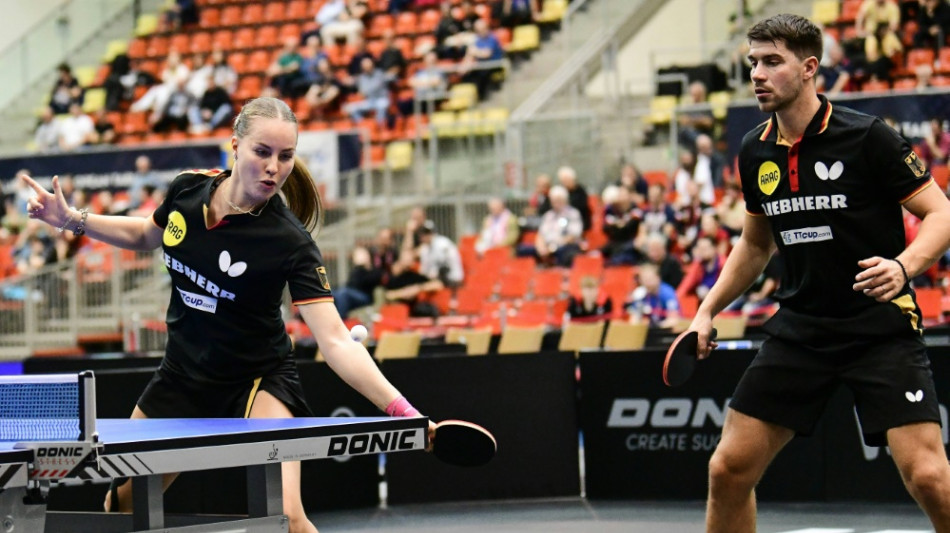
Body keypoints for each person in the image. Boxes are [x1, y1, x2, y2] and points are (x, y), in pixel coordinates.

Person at [21, 97, 436, 533]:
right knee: (120, 503)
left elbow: (334, 340)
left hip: (258, 380)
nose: (274, 166)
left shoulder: (289, 242)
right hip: (183, 376)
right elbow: (148, 233)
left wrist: (402, 410)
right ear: (235, 147)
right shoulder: (187, 190)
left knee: (287, 518)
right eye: (262, 152)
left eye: (286, 156)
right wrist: (73, 220)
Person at [687, 14, 950, 532]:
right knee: (729, 469)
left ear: (809, 68)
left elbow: (942, 213)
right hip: (801, 329)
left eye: (771, 62)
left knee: (928, 478)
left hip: (879, 328)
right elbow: (755, 245)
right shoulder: (754, 149)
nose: (756, 74)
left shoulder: (868, 137)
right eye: (752, 63)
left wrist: (905, 266)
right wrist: (706, 309)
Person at [333, 246, 382, 318]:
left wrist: (361, 267)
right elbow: (350, 284)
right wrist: (358, 268)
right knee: (332, 293)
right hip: (352, 295)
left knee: (344, 293)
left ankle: (341, 320)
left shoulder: (373, 271)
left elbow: (367, 282)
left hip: (365, 297)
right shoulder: (356, 271)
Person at [626, 263, 680, 327]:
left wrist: (655, 326)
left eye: (650, 278)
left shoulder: (667, 292)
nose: (648, 282)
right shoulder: (639, 294)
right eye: (644, 279)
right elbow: (634, 319)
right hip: (651, 329)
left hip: (668, 331)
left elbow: (673, 320)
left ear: (658, 278)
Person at [416, 220, 464, 288]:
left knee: (420, 287)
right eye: (423, 233)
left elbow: (448, 268)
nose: (424, 236)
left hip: (452, 279)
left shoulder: (443, 244)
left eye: (427, 233)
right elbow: (424, 271)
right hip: (436, 279)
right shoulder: (424, 249)